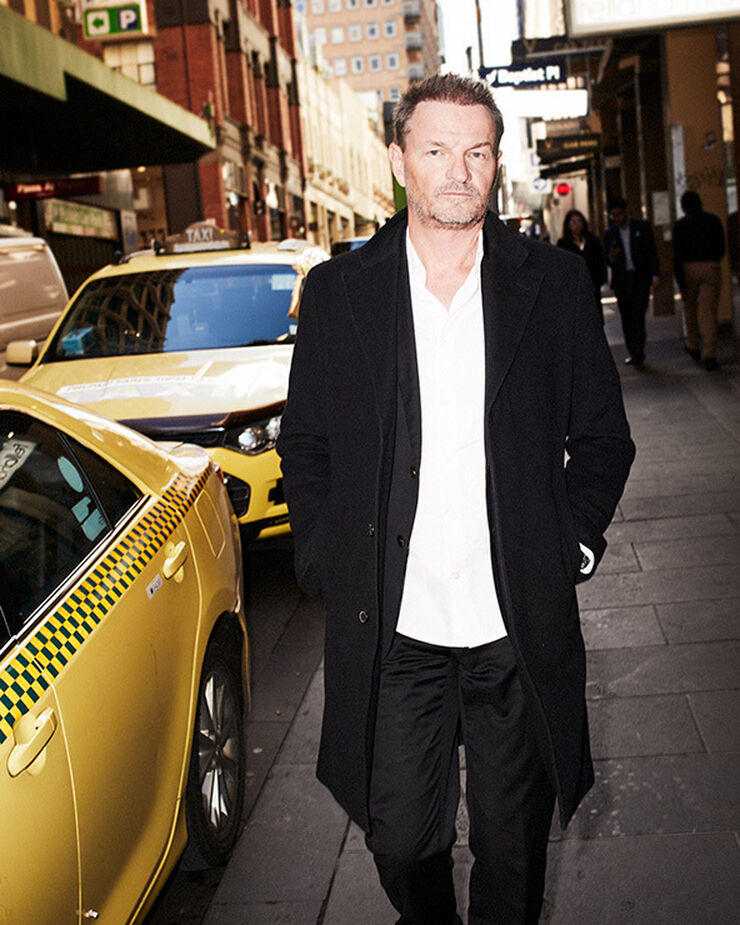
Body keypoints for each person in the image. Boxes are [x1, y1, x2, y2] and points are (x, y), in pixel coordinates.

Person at [277, 74, 635, 925]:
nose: (458, 170)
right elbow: (307, 443)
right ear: (399, 160)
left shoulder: (553, 285)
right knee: (402, 841)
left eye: (476, 152)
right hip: (398, 629)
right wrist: (329, 556)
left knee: (513, 855)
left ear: (496, 163)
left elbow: (604, 439)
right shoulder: (339, 293)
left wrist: (570, 543)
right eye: (436, 150)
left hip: (512, 624)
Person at [672, 190, 726, 371]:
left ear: (683, 207)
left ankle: (693, 345)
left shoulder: (681, 225)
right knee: (708, 311)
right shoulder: (713, 221)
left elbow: (677, 254)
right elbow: (721, 247)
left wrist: (680, 279)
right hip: (710, 266)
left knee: (690, 309)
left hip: (688, 268)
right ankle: (709, 353)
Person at [604, 196, 660, 367]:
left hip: (640, 277)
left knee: (638, 314)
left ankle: (639, 348)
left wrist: (655, 274)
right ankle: (633, 350)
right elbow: (607, 258)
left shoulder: (641, 227)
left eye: (619, 214)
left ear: (625, 212)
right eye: (614, 215)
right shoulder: (610, 233)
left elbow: (651, 251)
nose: (617, 218)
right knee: (627, 316)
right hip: (622, 280)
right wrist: (612, 256)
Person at [556, 209, 607, 321]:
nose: (577, 225)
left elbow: (599, 263)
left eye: (579, 221)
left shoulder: (593, 241)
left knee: (595, 317)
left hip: (592, 286)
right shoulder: (563, 244)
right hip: (573, 290)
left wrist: (598, 280)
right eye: (573, 222)